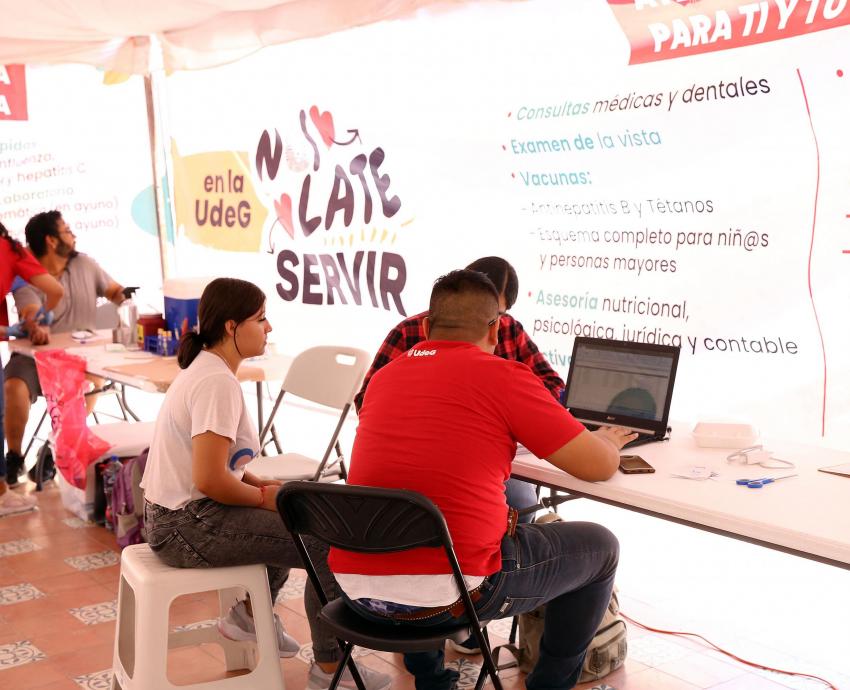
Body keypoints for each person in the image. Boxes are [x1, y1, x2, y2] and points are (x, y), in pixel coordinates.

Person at [330, 270, 635, 690]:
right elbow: (598, 466)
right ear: (496, 328)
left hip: (356, 592)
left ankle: (433, 683)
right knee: (601, 548)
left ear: (423, 327)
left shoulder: (383, 378)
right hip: (459, 597)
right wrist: (608, 440)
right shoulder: (504, 376)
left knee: (418, 534)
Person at [140, 277, 391, 690]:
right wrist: (263, 498)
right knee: (323, 543)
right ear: (231, 327)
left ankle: (249, 618)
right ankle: (330, 668)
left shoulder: (208, 369)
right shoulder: (215, 382)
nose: (269, 328)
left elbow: (220, 471)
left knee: (293, 511)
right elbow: (209, 479)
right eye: (261, 319)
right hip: (184, 526)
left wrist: (266, 488)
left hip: (176, 517)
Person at [354, 257, 562, 654]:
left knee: (517, 504)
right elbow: (369, 405)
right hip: (431, 501)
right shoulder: (407, 336)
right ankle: (472, 609)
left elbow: (551, 383)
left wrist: (520, 414)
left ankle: (458, 622)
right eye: (490, 314)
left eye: (498, 314)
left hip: (361, 586)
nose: (493, 325)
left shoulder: (509, 337)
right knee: (538, 518)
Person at [3, 210, 126, 485]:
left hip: (82, 359)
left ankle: (56, 453)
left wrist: (127, 299)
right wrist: (35, 326)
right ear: (50, 240)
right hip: (35, 358)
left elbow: (117, 290)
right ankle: (14, 458)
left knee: (87, 386)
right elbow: (31, 310)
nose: (73, 235)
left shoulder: (86, 264)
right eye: (67, 230)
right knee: (13, 386)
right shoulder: (27, 271)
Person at [0, 220, 63, 516]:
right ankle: (2, 493)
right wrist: (43, 315)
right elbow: (54, 291)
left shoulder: (86, 266)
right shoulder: (11, 250)